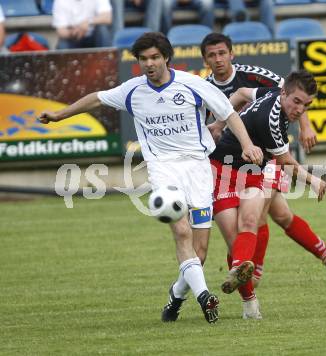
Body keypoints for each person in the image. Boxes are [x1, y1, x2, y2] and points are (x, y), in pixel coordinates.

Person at [38, 32, 263, 324]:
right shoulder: (132, 90)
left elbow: (229, 113)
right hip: (162, 168)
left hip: (197, 168)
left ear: (166, 58)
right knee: (181, 232)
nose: (149, 64)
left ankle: (176, 296)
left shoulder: (191, 84)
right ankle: (205, 296)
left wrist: (247, 145)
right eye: (143, 59)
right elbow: (96, 99)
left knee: (200, 252)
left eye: (155, 57)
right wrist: (59, 115)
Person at [200, 33, 326, 318]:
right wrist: (313, 179)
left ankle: (249, 273)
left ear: (231, 54)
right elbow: (286, 160)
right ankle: (251, 284)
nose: (300, 110)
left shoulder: (265, 86)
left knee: (257, 220)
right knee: (259, 225)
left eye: (306, 106)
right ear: (205, 59)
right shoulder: (267, 117)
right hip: (222, 168)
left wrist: (221, 123)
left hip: (256, 168)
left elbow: (245, 93)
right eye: (297, 103)